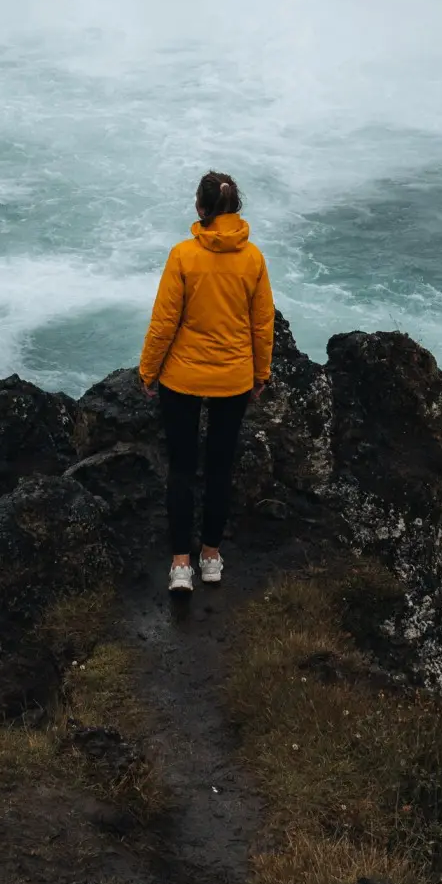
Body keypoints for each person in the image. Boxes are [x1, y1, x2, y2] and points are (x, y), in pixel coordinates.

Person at [139, 170, 274, 593]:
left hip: (181, 377)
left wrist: (148, 371)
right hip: (233, 379)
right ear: (235, 209)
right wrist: (260, 374)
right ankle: (211, 556)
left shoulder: (183, 256)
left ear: (200, 208)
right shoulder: (253, 259)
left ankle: (181, 565)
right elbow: (262, 325)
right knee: (219, 468)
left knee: (180, 469)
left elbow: (164, 322)